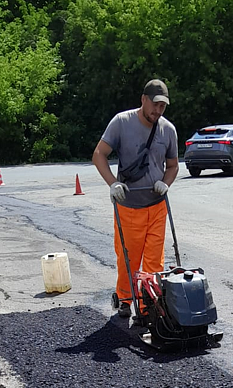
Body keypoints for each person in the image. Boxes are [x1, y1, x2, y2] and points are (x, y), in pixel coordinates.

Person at [92, 79, 179, 318]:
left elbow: (172, 165)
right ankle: (125, 298)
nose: (158, 111)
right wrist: (113, 183)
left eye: (163, 106)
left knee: (154, 263)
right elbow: (99, 154)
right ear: (143, 99)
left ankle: (148, 306)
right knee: (128, 259)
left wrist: (165, 182)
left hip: (157, 206)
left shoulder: (168, 130)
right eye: (155, 104)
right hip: (129, 206)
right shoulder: (122, 123)